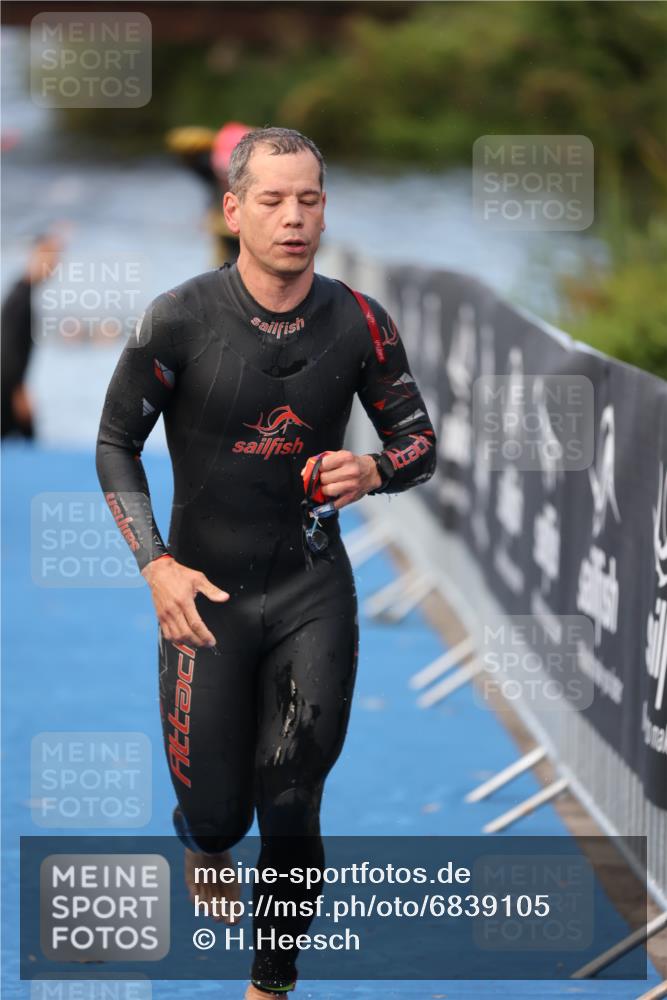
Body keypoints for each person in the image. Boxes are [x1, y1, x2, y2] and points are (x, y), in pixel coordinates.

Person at [95, 126, 437, 998]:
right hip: (202, 597)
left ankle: (270, 983)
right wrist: (156, 567)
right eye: (274, 200)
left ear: (324, 210)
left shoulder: (360, 320)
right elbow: (114, 444)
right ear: (233, 209)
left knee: (291, 804)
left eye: (309, 200)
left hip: (310, 589)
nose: (293, 218)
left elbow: (418, 442)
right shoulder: (178, 318)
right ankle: (201, 842)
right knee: (218, 815)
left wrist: (375, 469)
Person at [1, 233, 61, 439]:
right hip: (8, 392)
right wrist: (18, 391)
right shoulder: (19, 299)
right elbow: (7, 349)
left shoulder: (24, 294)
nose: (54, 264)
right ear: (35, 256)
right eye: (49, 257)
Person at [165, 121, 252, 264]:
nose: (227, 177)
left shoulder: (262, 184)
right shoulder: (211, 176)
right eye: (223, 169)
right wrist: (214, 139)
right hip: (224, 260)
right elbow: (178, 142)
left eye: (234, 170)